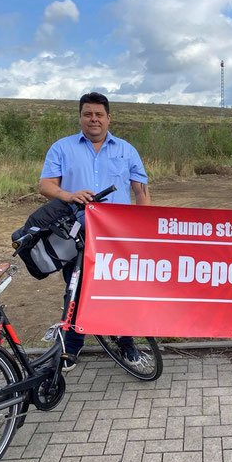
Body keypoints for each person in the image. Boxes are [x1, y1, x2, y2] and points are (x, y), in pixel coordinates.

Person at [39, 92, 151, 371]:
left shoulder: (127, 150)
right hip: (76, 235)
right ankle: (72, 348)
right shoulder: (62, 148)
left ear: (108, 118)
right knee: (76, 291)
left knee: (120, 291)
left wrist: (141, 224)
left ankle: (126, 343)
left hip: (118, 237)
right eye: (88, 114)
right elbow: (46, 185)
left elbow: (140, 190)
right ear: (80, 117)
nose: (94, 119)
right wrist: (69, 195)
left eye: (99, 114)